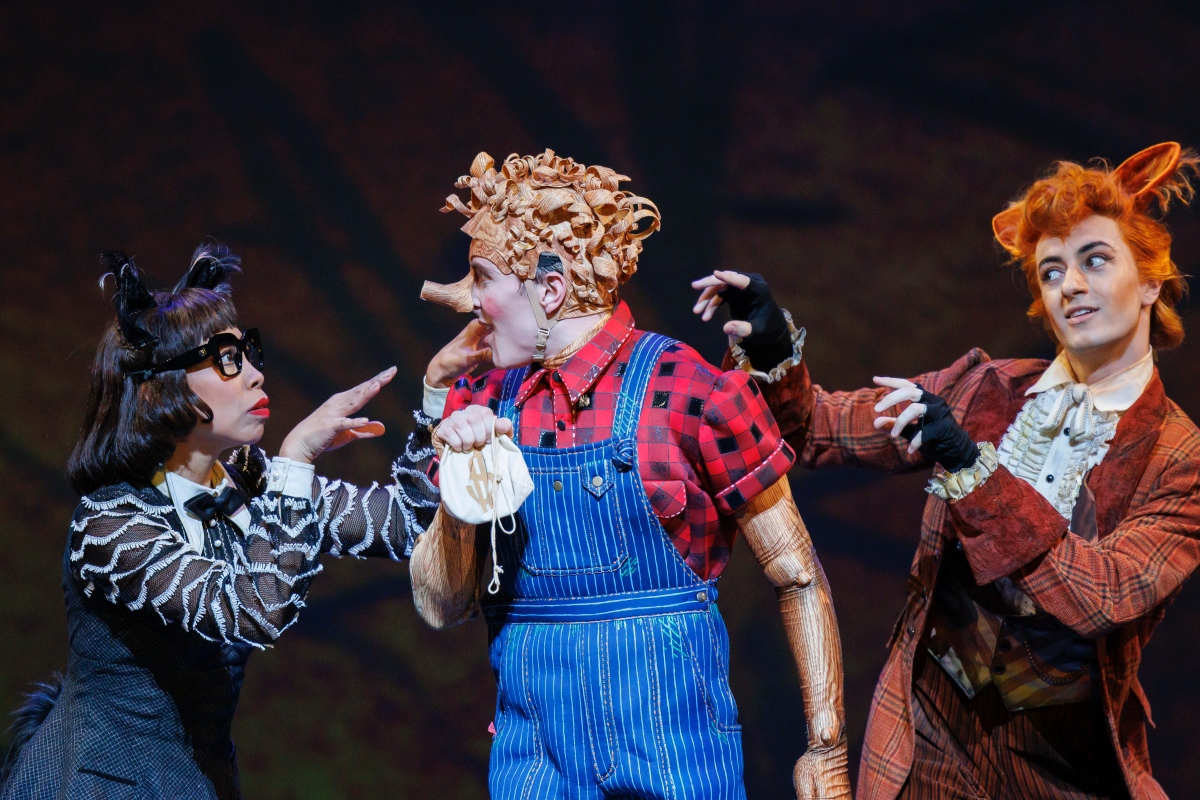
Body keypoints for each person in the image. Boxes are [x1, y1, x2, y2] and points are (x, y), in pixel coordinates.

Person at [692, 142, 1200, 799]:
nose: (1070, 285)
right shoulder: (984, 389)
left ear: (1151, 282)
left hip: (1061, 765)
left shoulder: (1178, 455)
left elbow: (1103, 596)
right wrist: (769, 345)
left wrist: (971, 465)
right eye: (1050, 272)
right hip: (930, 744)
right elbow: (818, 430)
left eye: (1094, 260)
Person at [409, 149, 852, 800]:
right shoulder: (478, 403)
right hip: (535, 757)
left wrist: (826, 743)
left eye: (483, 279)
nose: (470, 304)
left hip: (673, 751)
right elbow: (438, 603)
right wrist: (462, 490)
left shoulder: (692, 392)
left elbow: (797, 572)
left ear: (551, 289)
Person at [0, 243, 441, 800]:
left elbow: (408, 523)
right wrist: (297, 461)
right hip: (97, 784)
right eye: (229, 360)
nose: (256, 376)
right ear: (164, 385)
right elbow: (255, 609)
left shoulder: (244, 478)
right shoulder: (110, 524)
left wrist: (438, 393)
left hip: (197, 781)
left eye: (248, 354)